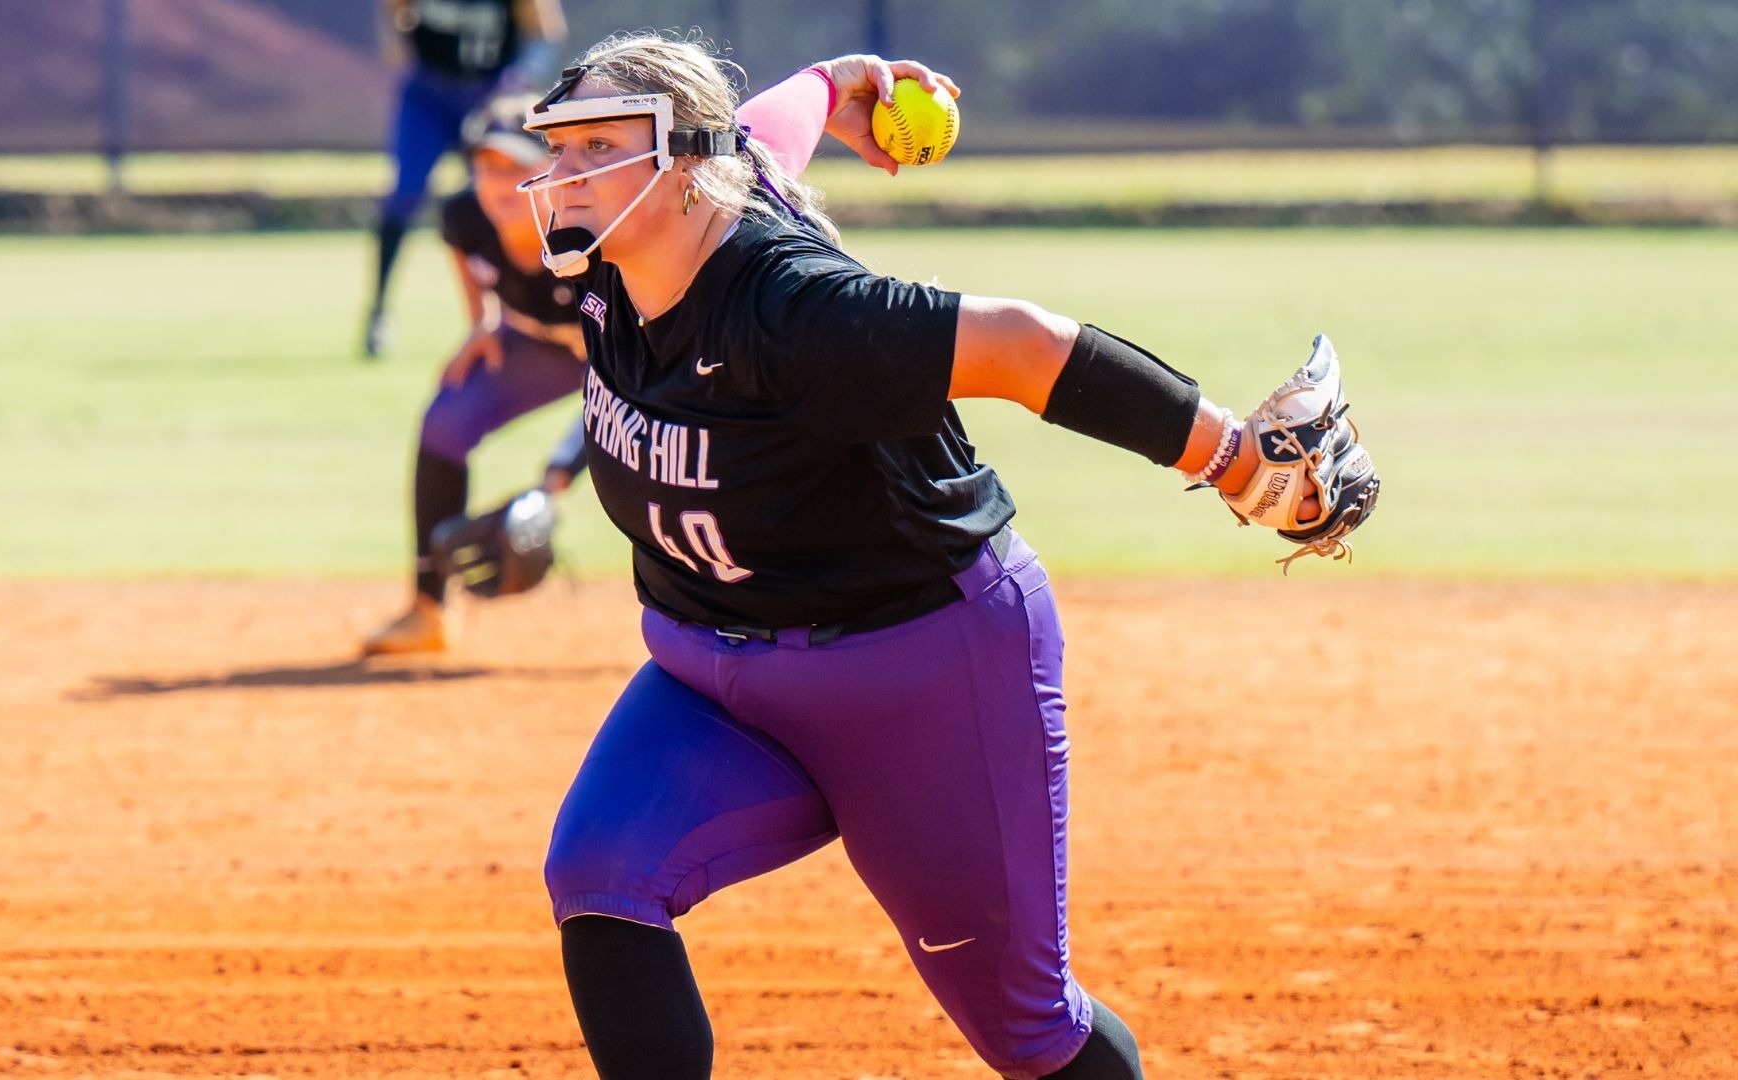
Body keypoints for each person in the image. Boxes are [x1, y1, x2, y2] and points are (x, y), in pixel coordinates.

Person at [523, 34, 1378, 1080]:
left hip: (922, 675)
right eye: (557, 148)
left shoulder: (800, 313)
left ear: (688, 162)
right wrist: (847, 81)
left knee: (1027, 1032)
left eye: (596, 147)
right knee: (602, 869)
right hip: (710, 676)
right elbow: (773, 127)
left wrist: (1243, 464)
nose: (562, 176)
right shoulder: (621, 254)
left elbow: (1024, 346)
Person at [361, 93, 587, 656]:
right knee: (445, 421)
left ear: (554, 171)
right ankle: (427, 608)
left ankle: (693, 619)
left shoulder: (591, 233)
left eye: (515, 166)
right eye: (486, 166)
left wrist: (554, 481)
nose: (496, 181)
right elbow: (464, 253)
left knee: (647, 471)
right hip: (538, 343)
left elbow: (625, 387)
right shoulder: (465, 212)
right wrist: (482, 321)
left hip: (628, 358)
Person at [363, 0, 568, 359]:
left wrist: (519, 78)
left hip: (487, 92)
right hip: (429, 91)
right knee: (405, 194)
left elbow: (546, 33)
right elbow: (391, 12)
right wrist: (395, 41)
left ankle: (527, 310)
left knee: (500, 193)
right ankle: (378, 313)